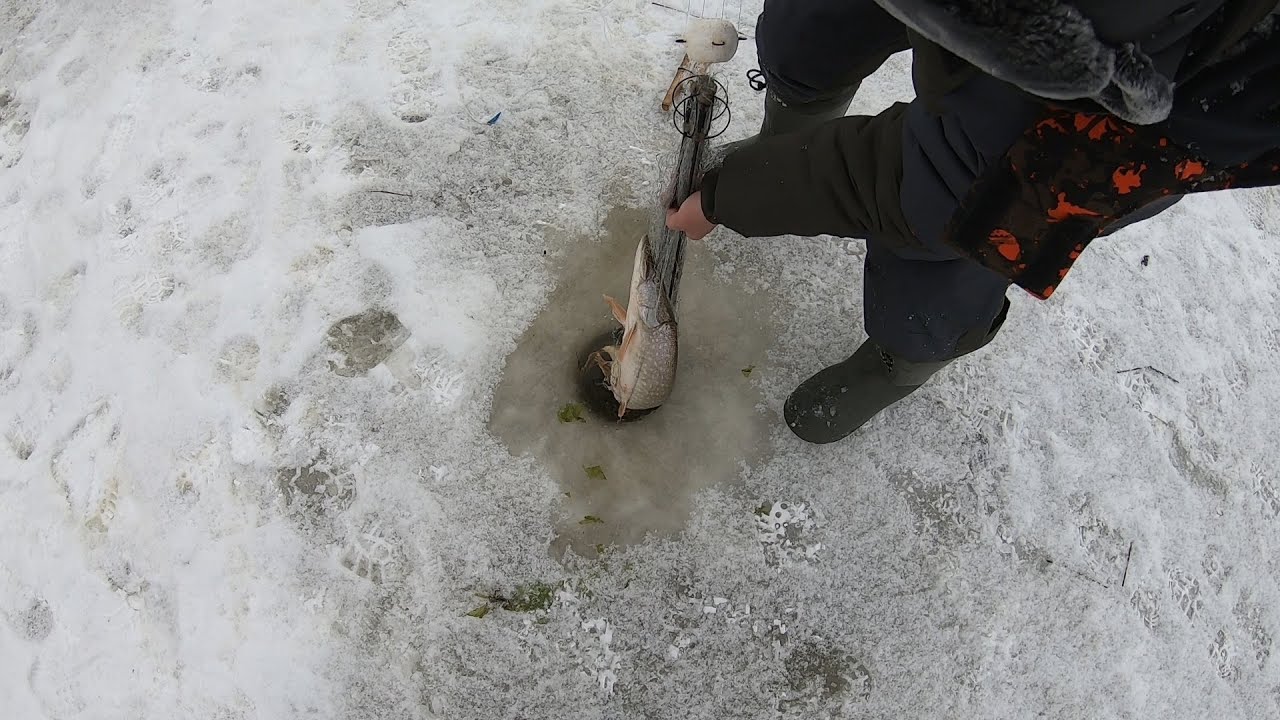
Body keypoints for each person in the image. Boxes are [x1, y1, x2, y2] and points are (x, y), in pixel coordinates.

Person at [665, 0, 1280, 444]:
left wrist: (733, 195)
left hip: (1131, 127)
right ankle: (796, 116)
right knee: (812, 28)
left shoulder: (1121, 78)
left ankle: (902, 356)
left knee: (960, 243)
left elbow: (934, 185)